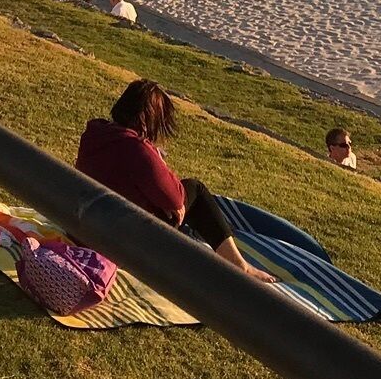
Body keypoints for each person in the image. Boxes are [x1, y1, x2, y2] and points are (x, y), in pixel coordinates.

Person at [75, 79, 273, 280]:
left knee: (178, 197)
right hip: (124, 240)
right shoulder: (136, 149)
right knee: (195, 190)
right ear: (147, 120)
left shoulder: (96, 133)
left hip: (85, 225)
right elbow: (176, 199)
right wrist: (154, 155)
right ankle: (240, 266)